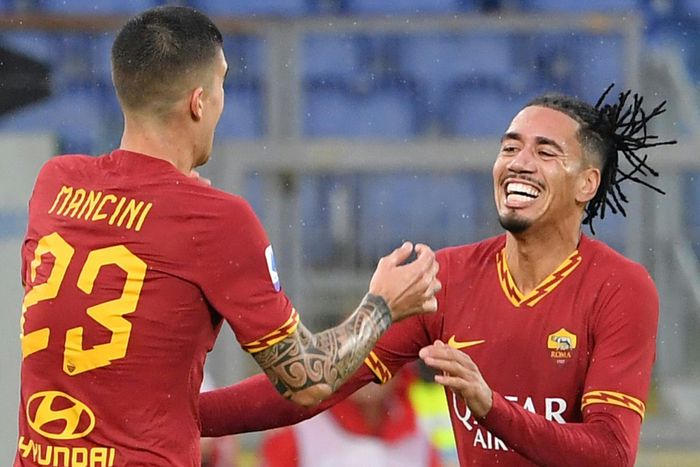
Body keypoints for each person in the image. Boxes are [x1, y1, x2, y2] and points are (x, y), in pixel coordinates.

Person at [15, 6, 441, 466]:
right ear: (198, 102)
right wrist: (381, 307)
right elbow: (307, 379)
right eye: (222, 84)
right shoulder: (215, 220)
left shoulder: (55, 183)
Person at [198, 86, 676, 466]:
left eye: (545, 152)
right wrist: (188, 415)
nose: (519, 162)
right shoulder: (448, 278)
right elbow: (318, 386)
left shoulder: (620, 288)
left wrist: (491, 407)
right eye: (510, 147)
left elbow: (611, 453)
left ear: (587, 183)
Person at [260, 372, 441, 467]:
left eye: (384, 357)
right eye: (359, 356)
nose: (371, 370)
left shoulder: (419, 436)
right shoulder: (298, 430)